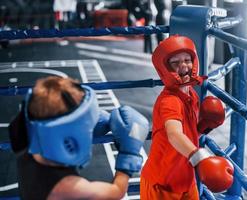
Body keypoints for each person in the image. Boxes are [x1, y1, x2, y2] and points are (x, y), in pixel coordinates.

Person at [9, 76, 149, 200]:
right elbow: (116, 192)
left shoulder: (24, 143)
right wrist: (129, 153)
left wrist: (89, 124)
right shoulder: (69, 187)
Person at [140, 35, 234, 199]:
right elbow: (174, 134)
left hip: (185, 177)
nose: (183, 65)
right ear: (165, 69)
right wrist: (200, 158)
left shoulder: (191, 94)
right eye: (175, 63)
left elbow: (187, 133)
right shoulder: (169, 101)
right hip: (163, 184)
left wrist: (204, 127)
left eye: (187, 60)